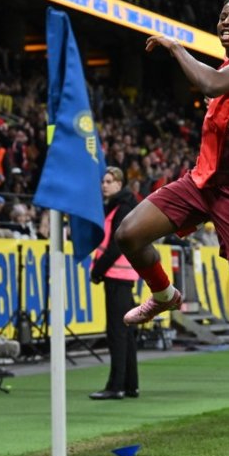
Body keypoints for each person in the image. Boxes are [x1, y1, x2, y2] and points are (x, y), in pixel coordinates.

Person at [115, 0, 229, 453]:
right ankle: (164, 295)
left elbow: (212, 85)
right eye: (221, 15)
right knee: (129, 234)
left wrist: (177, 49)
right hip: (200, 182)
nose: (226, 20)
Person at [89, 167, 140, 400]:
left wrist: (98, 271)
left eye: (109, 181)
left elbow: (115, 245)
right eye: (103, 181)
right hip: (124, 276)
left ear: (119, 184)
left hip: (117, 277)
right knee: (126, 333)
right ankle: (130, 385)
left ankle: (116, 386)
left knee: (117, 333)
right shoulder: (124, 207)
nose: (104, 185)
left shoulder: (121, 208)